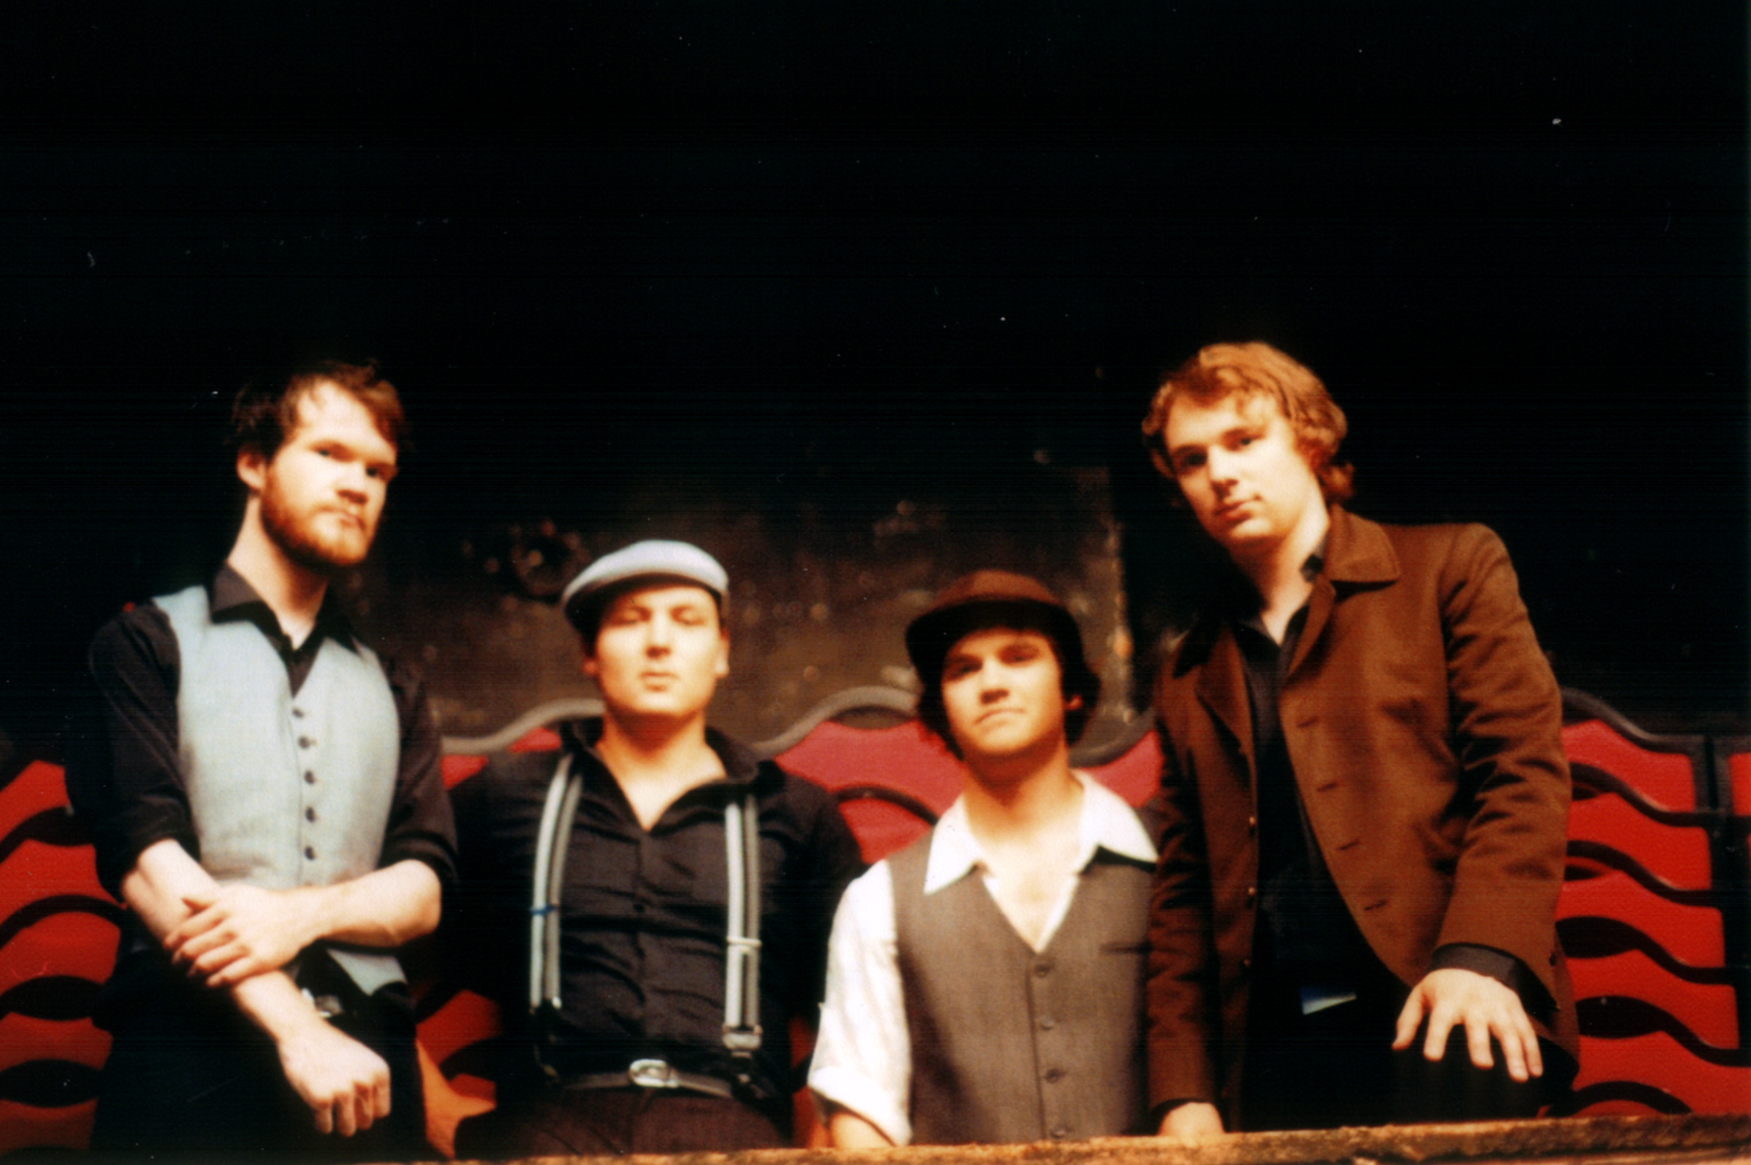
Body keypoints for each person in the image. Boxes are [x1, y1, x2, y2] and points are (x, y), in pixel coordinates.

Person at [1137, 341, 1579, 1136]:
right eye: (1192, 458)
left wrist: (1477, 959)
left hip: (1445, 1006)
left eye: (1243, 439)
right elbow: (1183, 892)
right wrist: (1181, 1089)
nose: (1220, 473)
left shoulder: (1448, 566)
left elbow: (1521, 776)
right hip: (1271, 1046)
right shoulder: (1189, 668)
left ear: (1309, 438)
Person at [65, 359, 456, 1159]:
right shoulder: (142, 642)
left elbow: (422, 889)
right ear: (253, 461)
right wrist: (298, 1029)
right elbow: (147, 861)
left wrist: (299, 914)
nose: (357, 485)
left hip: (369, 1069)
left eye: (377, 470)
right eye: (329, 453)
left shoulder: (394, 686)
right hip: (189, 1055)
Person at [446, 539, 863, 1157]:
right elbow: (374, 960)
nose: (659, 642)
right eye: (631, 620)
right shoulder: (503, 797)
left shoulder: (797, 814)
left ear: (722, 651)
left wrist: (824, 1149)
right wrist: (438, 1114)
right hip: (544, 1131)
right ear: (589, 653)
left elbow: (862, 1008)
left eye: (686, 620)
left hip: (734, 1133)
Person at [810, 570, 1157, 1146]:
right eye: (963, 669)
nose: (991, 684)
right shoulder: (878, 901)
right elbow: (862, 1121)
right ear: (941, 708)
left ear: (1070, 687)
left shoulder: (1167, 863)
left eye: (1019, 657)